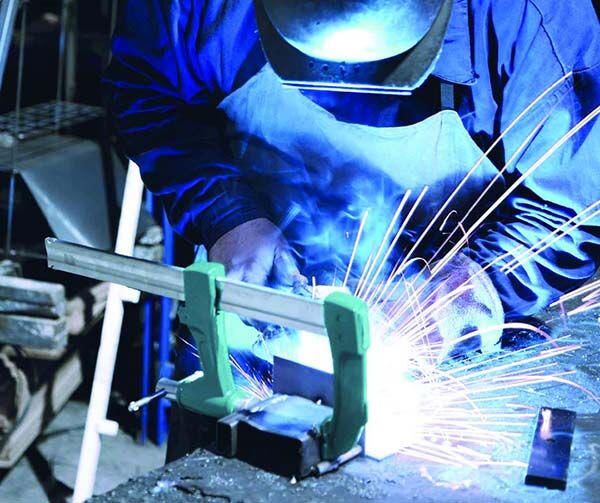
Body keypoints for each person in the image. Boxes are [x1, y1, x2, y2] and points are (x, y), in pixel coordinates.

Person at [105, 0, 600, 460]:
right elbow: (145, 90)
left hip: (453, 356)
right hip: (250, 321)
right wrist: (228, 216)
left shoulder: (528, 18)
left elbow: (578, 209)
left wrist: (464, 291)